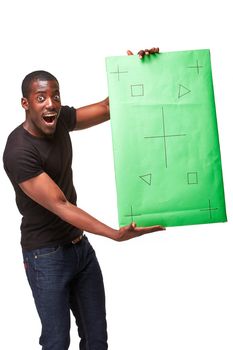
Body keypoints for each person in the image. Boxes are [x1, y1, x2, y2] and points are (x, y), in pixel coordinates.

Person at [3, 47, 164, 350]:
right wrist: (115, 234)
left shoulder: (60, 117)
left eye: (55, 96)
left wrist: (138, 68)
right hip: (45, 256)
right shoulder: (18, 152)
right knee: (56, 342)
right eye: (40, 98)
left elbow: (107, 108)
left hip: (80, 248)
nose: (50, 104)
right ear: (25, 104)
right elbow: (61, 205)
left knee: (96, 339)